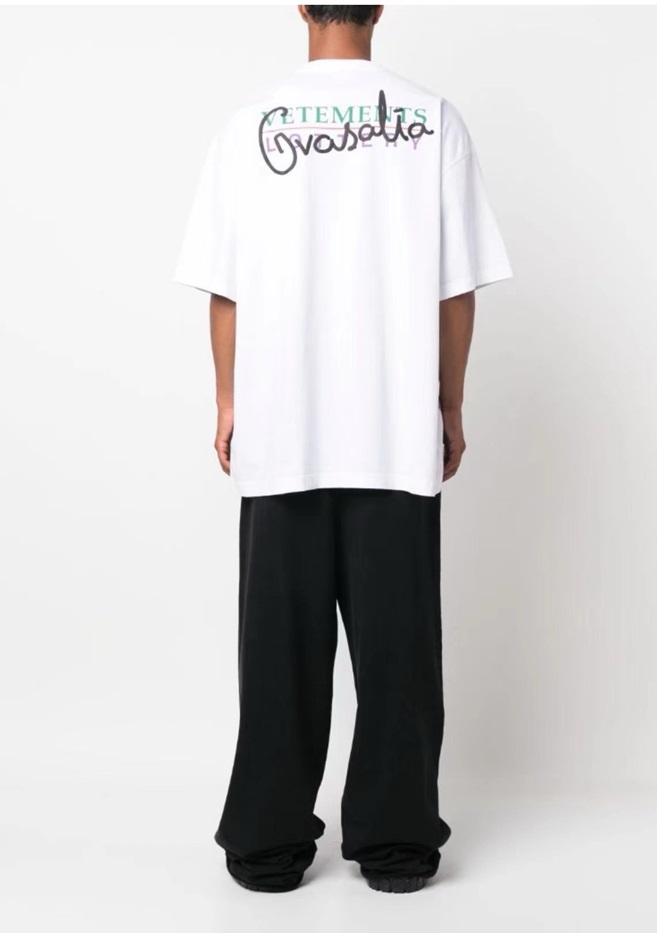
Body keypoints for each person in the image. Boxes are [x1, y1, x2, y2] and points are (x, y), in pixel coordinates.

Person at [173, 4, 512, 894]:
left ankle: (266, 843)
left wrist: (229, 400)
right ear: (380, 7)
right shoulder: (432, 120)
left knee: (277, 650)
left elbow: (225, 287)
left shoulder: (249, 123)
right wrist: (448, 401)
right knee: (401, 650)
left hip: (282, 426)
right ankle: (397, 846)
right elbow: (456, 290)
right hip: (392, 427)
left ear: (300, 5)